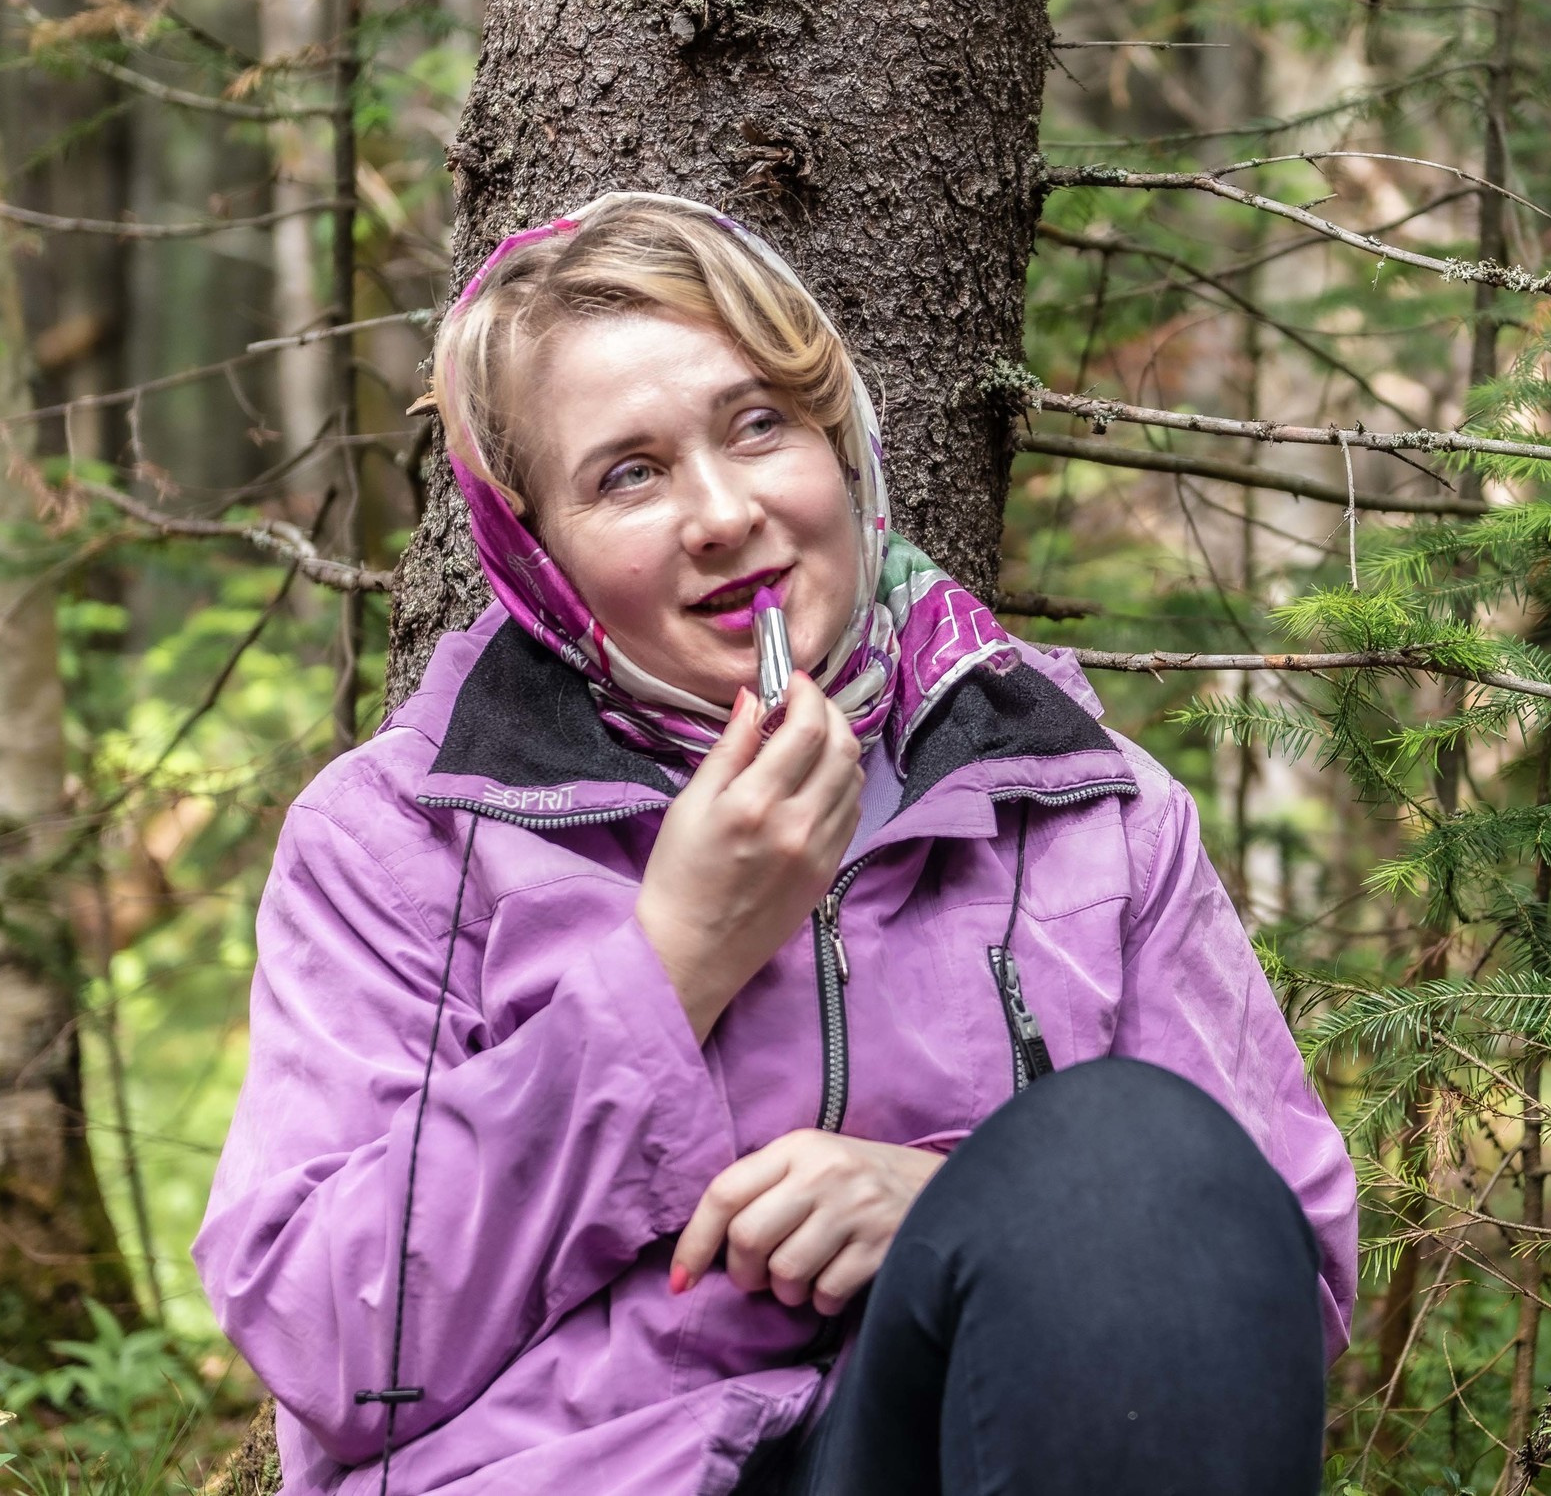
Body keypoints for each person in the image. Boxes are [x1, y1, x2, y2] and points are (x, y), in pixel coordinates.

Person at [193, 192, 1358, 1496]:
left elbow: (1268, 1271)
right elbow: (331, 1334)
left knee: (1133, 1162)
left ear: (841, 444)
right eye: (628, 472)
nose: (723, 511)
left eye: (759, 426)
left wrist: (960, 1212)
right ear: (538, 553)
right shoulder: (404, 838)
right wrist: (673, 960)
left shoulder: (1081, 802)